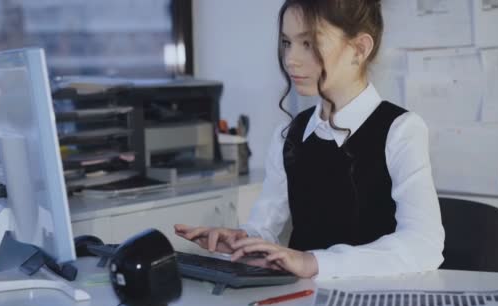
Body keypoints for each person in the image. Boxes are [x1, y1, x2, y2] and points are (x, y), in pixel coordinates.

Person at [175, 0, 444, 280]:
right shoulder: (288, 136)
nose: (291, 58)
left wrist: (315, 262)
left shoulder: (401, 130)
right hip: (299, 305)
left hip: (377, 305)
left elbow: (423, 245)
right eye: (286, 42)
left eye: (308, 44)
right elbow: (264, 226)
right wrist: (243, 242)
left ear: (359, 49)